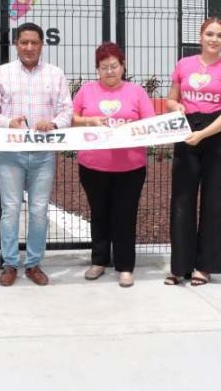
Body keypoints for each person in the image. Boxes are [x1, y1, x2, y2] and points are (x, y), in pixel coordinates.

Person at [0, 22, 73, 287]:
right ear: (16, 44)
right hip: (11, 153)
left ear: (42, 45)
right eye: (24, 42)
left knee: (39, 210)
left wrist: (54, 124)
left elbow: (66, 110)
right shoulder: (2, 74)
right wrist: (7, 122)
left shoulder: (55, 74)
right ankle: (10, 263)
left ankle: (33, 263)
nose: (29, 47)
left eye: (34, 42)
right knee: (10, 209)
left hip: (43, 154)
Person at [165, 17, 221, 286]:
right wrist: (175, 107)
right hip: (187, 133)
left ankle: (205, 266)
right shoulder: (184, 65)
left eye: (220, 36)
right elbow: (171, 98)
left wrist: (203, 134)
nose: (214, 39)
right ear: (200, 37)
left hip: (217, 137)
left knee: (215, 202)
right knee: (182, 201)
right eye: (209, 34)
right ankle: (180, 266)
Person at [72, 42, 155, 288]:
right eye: (104, 67)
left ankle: (125, 266)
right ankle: (98, 261)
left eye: (114, 66)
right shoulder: (86, 91)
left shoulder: (136, 92)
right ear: (97, 69)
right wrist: (90, 121)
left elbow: (150, 123)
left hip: (130, 167)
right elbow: (72, 119)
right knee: (98, 214)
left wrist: (130, 129)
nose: (110, 71)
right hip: (92, 166)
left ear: (123, 66)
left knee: (125, 216)